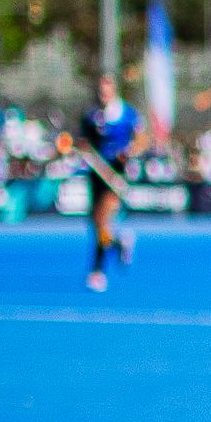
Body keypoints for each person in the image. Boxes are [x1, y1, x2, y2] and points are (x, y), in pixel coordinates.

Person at [76, 75, 141, 292]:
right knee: (96, 224)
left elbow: (142, 138)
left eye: (107, 89)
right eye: (100, 90)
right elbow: (82, 143)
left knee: (102, 220)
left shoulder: (127, 114)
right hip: (97, 176)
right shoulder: (91, 117)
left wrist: (129, 152)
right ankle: (118, 243)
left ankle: (97, 271)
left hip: (117, 177)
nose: (103, 94)